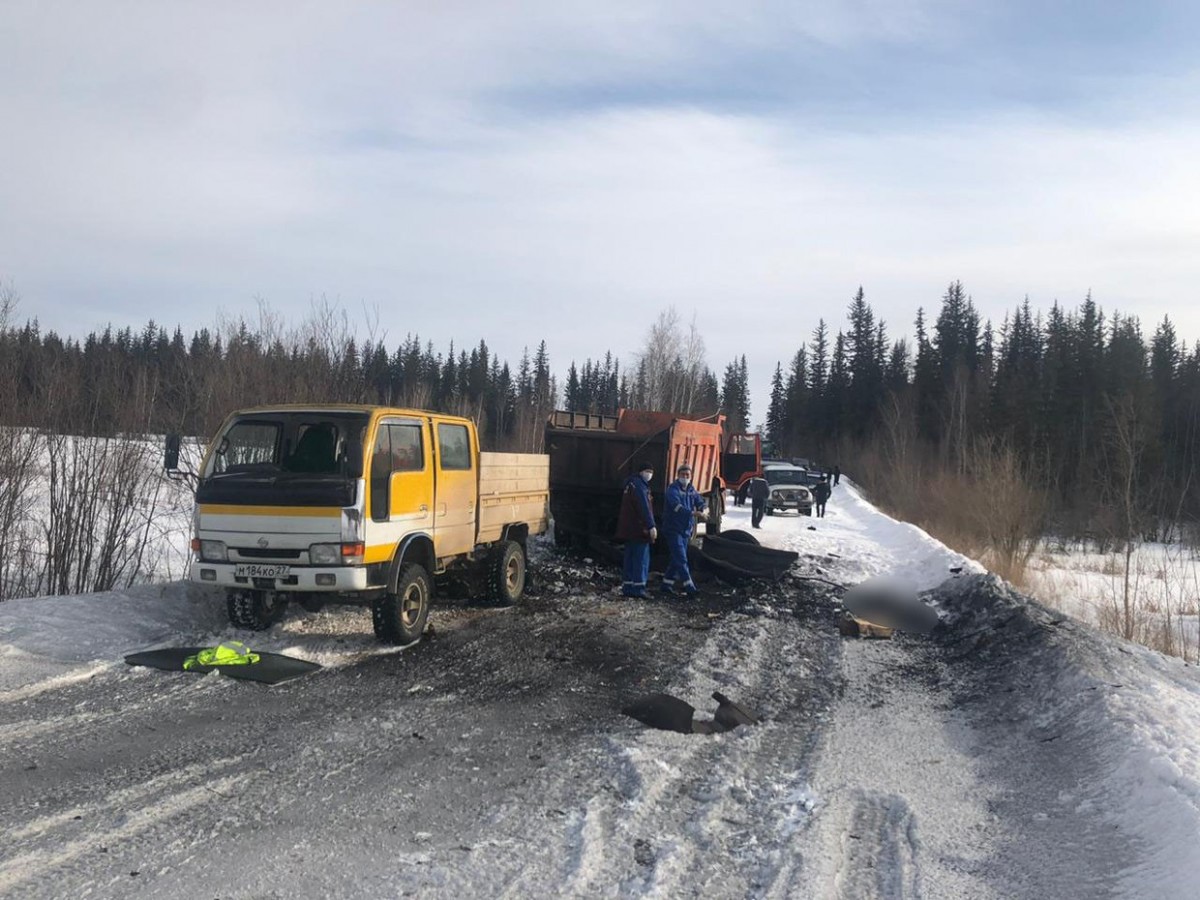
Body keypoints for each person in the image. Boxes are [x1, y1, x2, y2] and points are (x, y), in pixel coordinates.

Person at [661, 463, 706, 597]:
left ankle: (666, 584)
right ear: (677, 475)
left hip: (685, 530)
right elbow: (676, 506)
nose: (685, 477)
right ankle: (689, 586)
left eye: (687, 475)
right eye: (682, 475)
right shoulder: (672, 489)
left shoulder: (691, 489)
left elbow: (699, 500)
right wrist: (692, 513)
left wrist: (702, 508)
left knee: (677, 558)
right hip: (673, 529)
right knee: (681, 558)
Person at [615, 461, 657, 598]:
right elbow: (644, 508)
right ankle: (639, 589)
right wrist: (651, 525)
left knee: (630, 559)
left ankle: (628, 587)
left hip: (628, 529)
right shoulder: (640, 487)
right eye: (648, 472)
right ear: (641, 472)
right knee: (641, 560)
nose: (649, 475)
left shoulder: (630, 484)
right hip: (639, 529)